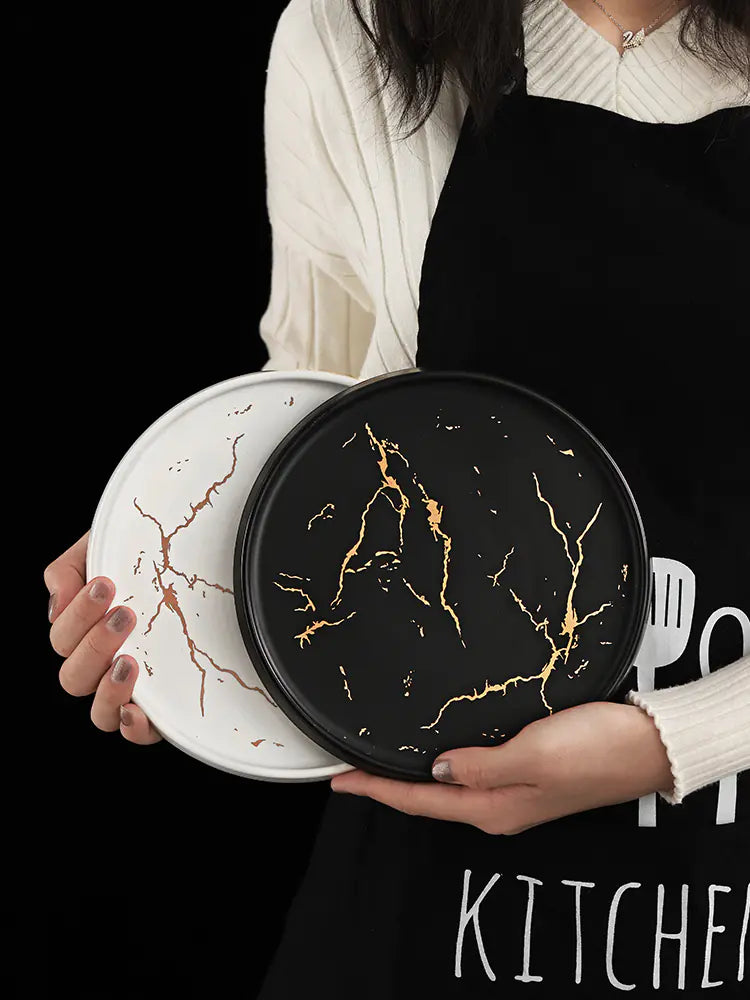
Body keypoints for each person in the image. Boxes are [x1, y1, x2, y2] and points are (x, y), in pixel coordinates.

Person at [45, 0, 749, 995]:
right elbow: (314, 428)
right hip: (419, 911)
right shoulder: (350, 36)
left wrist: (671, 741)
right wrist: (185, 622)